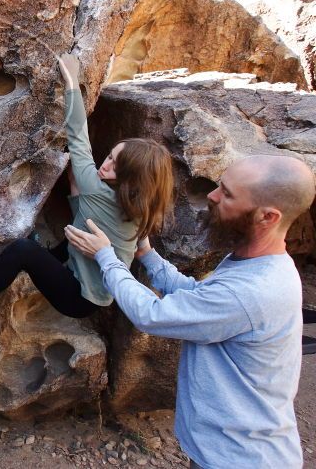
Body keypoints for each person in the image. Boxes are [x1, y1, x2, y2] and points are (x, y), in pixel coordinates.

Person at [65, 154, 316, 469]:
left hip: (238, 458)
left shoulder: (250, 292)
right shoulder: (260, 264)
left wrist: (105, 256)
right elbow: (199, 296)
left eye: (227, 194)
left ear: (267, 217)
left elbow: (152, 314)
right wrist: (146, 253)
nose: (211, 196)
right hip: (234, 449)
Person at [0, 53, 174, 321]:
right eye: (109, 156)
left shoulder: (96, 190)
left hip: (78, 296)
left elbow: (79, 137)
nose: (105, 165)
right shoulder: (140, 209)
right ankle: (47, 256)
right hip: (96, 294)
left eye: (114, 166)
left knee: (23, 250)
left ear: (131, 181)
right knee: (79, 228)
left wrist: (72, 82)